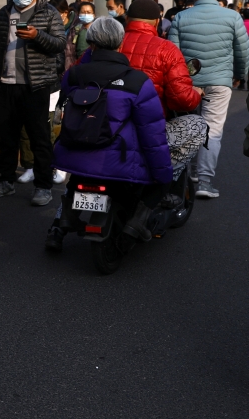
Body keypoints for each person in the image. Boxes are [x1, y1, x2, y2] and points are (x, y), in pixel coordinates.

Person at [44, 17, 172, 250]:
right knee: (161, 181)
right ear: (121, 44)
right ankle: (135, 223)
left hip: (74, 155)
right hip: (119, 163)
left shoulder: (73, 76)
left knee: (79, 177)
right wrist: (163, 174)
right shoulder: (139, 82)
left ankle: (63, 222)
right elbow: (153, 136)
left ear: (91, 44)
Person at [168, 0, 249, 199]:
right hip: (219, 81)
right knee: (212, 130)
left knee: (188, 126)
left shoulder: (181, 17)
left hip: (188, 82)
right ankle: (204, 180)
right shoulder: (232, 17)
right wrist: (239, 75)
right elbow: (242, 51)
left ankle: (189, 170)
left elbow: (173, 54)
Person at [0, 0, 66, 207]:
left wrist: (37, 36)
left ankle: (43, 186)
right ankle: (6, 181)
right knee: (7, 138)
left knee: (40, 138)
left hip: (36, 86)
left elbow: (59, 44)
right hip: (7, 84)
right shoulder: (5, 12)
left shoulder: (49, 12)